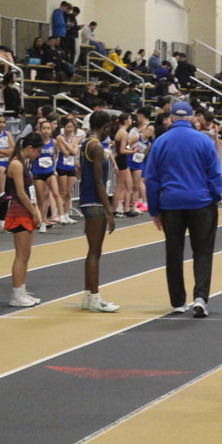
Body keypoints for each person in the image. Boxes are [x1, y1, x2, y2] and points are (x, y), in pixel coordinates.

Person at [143, 101, 222, 317]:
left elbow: (151, 179)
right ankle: (200, 298)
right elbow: (214, 173)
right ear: (192, 118)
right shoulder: (204, 141)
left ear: (171, 118)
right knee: (203, 252)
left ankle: (178, 301)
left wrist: (154, 210)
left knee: (174, 253)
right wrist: (216, 196)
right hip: (202, 203)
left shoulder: (160, 142)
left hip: (171, 205)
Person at [74, 111, 120, 312]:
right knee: (95, 251)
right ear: (106, 126)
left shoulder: (85, 143)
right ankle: (94, 298)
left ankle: (88, 296)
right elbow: (99, 181)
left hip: (87, 200)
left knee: (92, 251)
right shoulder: (97, 146)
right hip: (94, 202)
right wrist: (109, 211)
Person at [4, 133, 44, 307]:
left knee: (26, 254)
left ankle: (22, 290)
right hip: (19, 212)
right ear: (29, 148)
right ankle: (16, 294)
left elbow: (29, 191)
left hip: (26, 211)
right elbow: (20, 192)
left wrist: (35, 210)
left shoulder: (23, 163)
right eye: (38, 151)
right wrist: (34, 211)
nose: (38, 155)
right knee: (21, 255)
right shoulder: (16, 164)